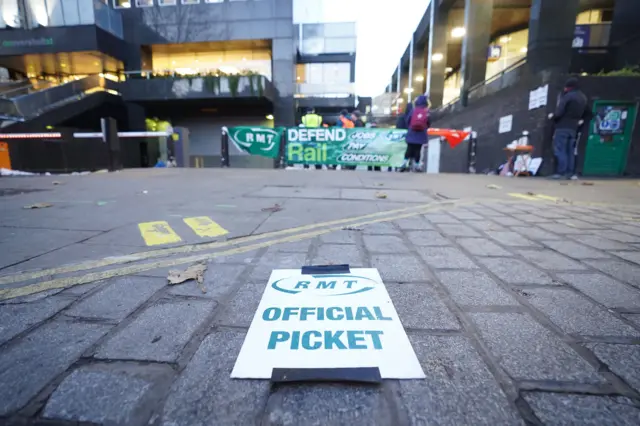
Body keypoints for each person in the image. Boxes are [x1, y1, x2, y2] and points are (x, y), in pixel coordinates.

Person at [549, 77, 590, 179]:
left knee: (560, 149)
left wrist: (552, 117)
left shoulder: (567, 97)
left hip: (563, 126)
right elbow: (588, 113)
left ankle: (561, 172)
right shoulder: (583, 98)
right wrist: (581, 121)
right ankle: (569, 172)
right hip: (574, 128)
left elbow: (559, 112)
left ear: (568, 87)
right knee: (570, 151)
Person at [401, 95, 430, 172]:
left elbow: (408, 120)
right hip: (421, 133)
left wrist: (410, 128)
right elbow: (428, 122)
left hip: (412, 132)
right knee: (418, 149)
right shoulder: (426, 111)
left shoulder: (413, 110)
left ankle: (404, 164)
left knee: (409, 148)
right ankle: (417, 166)